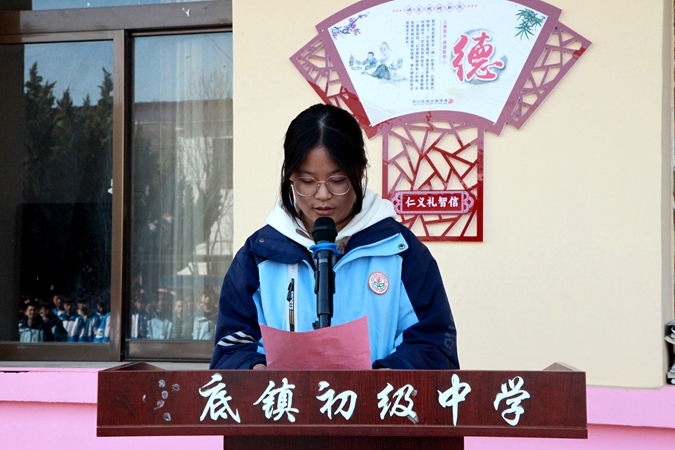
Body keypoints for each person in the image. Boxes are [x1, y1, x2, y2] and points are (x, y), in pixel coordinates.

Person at [210, 104, 458, 370]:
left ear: (359, 171)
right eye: (307, 181)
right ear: (290, 176)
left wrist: (384, 378)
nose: (323, 195)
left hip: (373, 398)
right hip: (288, 397)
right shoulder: (259, 254)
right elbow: (231, 349)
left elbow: (433, 345)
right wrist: (255, 373)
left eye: (338, 180)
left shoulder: (400, 250)